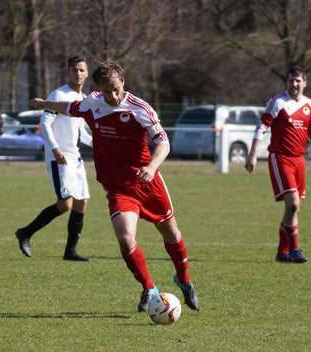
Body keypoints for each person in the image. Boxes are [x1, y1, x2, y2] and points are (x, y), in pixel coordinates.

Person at [28, 60, 200, 311]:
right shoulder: (92, 104)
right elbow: (69, 108)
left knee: (171, 233)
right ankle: (149, 288)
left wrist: (152, 167)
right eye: (107, 91)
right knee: (125, 239)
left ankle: (184, 280)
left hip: (148, 183)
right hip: (118, 187)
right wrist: (45, 104)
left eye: (117, 89)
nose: (114, 96)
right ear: (99, 88)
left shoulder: (140, 108)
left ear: (123, 83)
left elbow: (163, 142)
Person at [245, 66, 311, 263]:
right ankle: (295, 249)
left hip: (299, 160)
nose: (294, 84)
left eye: (297, 81)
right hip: (280, 158)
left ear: (305, 83)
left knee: (294, 208)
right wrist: (252, 154)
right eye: (290, 81)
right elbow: (262, 126)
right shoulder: (278, 102)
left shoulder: (310, 105)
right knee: (293, 203)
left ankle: (282, 252)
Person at [16, 55, 93, 262]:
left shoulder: (84, 99)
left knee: (81, 202)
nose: (78, 73)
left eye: (81, 70)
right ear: (68, 72)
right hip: (59, 158)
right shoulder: (58, 95)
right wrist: (56, 149)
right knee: (65, 203)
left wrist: (98, 143)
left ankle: (70, 252)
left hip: (75, 158)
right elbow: (45, 124)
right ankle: (25, 232)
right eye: (74, 69)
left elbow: (81, 133)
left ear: (87, 73)